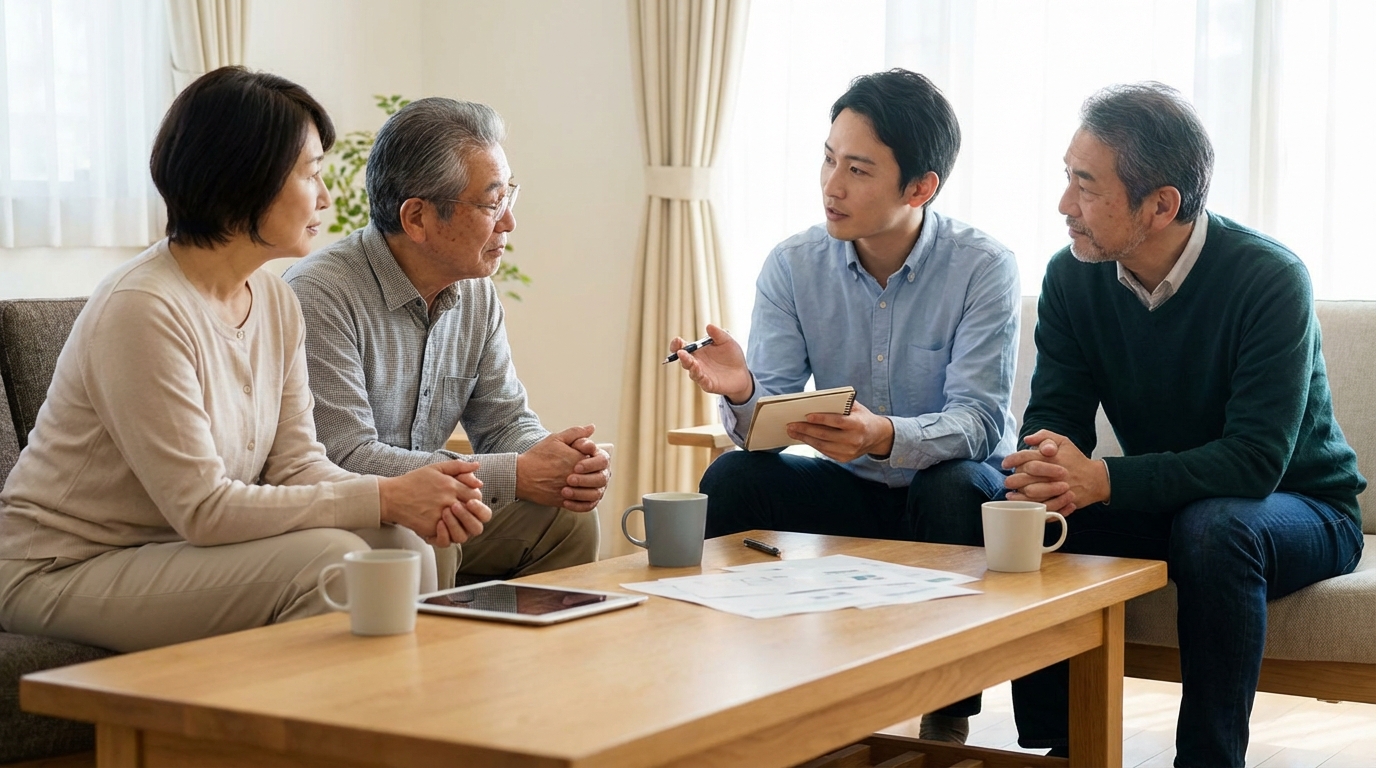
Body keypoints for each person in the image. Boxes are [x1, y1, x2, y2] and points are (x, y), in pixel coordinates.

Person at [0, 68, 494, 653]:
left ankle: (414, 724)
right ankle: (297, 741)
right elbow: (204, 509)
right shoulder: (144, 308)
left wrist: (407, 500)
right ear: (246, 178)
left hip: (171, 550)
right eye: (310, 173)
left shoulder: (276, 299)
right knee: (332, 560)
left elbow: (297, 465)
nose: (327, 196)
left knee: (408, 544)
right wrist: (385, 495)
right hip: (61, 567)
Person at [999, 82, 1365, 766]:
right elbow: (1054, 417)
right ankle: (1065, 745)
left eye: (1085, 185)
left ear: (1161, 204)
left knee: (1218, 526)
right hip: (1177, 505)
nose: (1063, 206)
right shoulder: (1073, 278)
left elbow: (1256, 462)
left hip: (1303, 507)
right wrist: (1045, 470)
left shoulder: (1268, 279)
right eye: (1065, 177)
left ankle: (1208, 759)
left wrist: (1104, 477)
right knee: (1016, 507)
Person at [669, 69, 1019, 742]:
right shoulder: (793, 264)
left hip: (941, 486)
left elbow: (979, 421)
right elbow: (763, 433)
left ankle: (945, 707)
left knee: (961, 486)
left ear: (920, 188)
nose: (832, 186)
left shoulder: (983, 267)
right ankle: (731, 680)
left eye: (858, 170)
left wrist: (884, 435)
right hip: (850, 491)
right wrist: (744, 391)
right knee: (735, 477)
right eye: (829, 159)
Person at [284, 98, 605, 586]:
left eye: (508, 197)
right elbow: (343, 457)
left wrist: (558, 464)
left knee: (565, 518)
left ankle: (524, 659)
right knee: (435, 527)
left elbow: (504, 422)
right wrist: (515, 474)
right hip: (349, 518)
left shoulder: (476, 293)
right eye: (491, 204)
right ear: (417, 218)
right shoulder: (320, 295)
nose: (509, 223)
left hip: (439, 510)